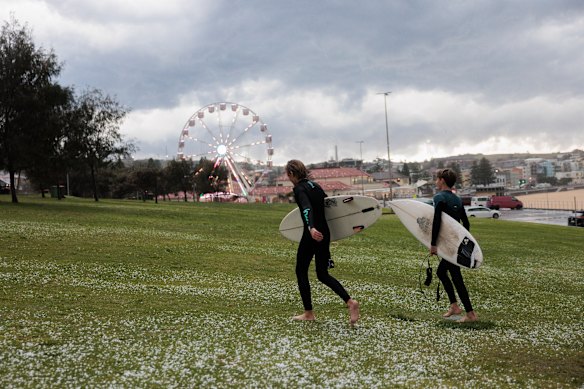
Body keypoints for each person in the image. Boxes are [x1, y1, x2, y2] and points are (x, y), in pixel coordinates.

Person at [285, 159, 360, 326]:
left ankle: (308, 313)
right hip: (325, 232)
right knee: (322, 274)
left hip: (312, 234)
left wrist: (311, 228)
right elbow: (331, 208)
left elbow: (306, 208)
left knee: (301, 270)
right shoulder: (316, 186)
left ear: (291, 174)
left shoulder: (300, 189)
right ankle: (350, 302)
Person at [430, 168, 478, 323]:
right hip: (455, 243)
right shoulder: (457, 199)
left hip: (447, 245)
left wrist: (433, 244)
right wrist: (462, 244)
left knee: (456, 277)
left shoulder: (439, 198)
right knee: (442, 272)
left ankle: (469, 313)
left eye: (437, 179)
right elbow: (466, 224)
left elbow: (437, 222)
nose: (436, 182)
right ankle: (455, 306)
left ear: (442, 181)